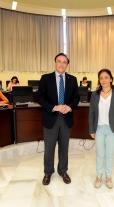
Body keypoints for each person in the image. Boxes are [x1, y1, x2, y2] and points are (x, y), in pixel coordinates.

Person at [37, 53, 80, 186]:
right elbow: (40, 97)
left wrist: (70, 106)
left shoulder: (72, 79)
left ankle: (63, 171)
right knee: (49, 147)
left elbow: (76, 98)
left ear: (67, 64)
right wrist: (54, 107)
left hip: (66, 118)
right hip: (51, 117)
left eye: (64, 62)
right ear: (55, 63)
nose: (61, 64)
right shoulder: (45, 78)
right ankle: (48, 172)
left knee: (64, 147)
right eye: (59, 61)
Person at [89, 69, 114, 189]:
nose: (103, 80)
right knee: (100, 154)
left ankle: (108, 176)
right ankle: (98, 176)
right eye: (101, 78)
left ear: (111, 79)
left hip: (111, 129)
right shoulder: (95, 94)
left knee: (109, 154)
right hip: (98, 128)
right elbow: (91, 113)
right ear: (99, 80)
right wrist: (92, 129)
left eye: (106, 77)